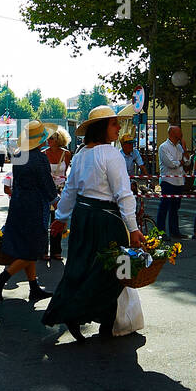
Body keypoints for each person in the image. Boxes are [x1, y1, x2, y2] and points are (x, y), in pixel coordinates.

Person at [43, 105, 142, 342]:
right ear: (102, 128)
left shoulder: (79, 155)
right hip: (107, 220)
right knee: (117, 270)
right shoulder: (111, 154)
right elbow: (123, 194)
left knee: (80, 269)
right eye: (114, 124)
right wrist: (134, 228)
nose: (118, 128)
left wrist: (61, 217)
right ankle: (98, 320)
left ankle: (93, 317)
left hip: (83, 217)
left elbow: (70, 190)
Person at [0, 120, 56, 304]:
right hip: (35, 206)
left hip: (19, 203)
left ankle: (34, 287)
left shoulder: (19, 154)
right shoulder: (40, 158)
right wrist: (58, 204)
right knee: (33, 249)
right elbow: (47, 185)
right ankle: (2, 278)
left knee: (27, 246)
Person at [44, 130, 72, 260]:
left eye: (52, 138)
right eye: (48, 139)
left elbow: (65, 172)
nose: (49, 141)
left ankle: (56, 251)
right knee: (44, 219)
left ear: (58, 139)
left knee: (58, 219)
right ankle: (43, 251)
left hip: (61, 190)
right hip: (46, 190)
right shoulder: (43, 154)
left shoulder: (66, 154)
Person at [156, 126, 186, 238]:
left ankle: (175, 231)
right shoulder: (164, 147)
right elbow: (171, 164)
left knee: (175, 208)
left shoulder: (179, 147)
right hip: (168, 181)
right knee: (164, 207)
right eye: (179, 131)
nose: (181, 134)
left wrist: (185, 149)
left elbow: (187, 162)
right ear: (172, 133)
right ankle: (161, 232)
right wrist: (180, 162)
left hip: (179, 181)